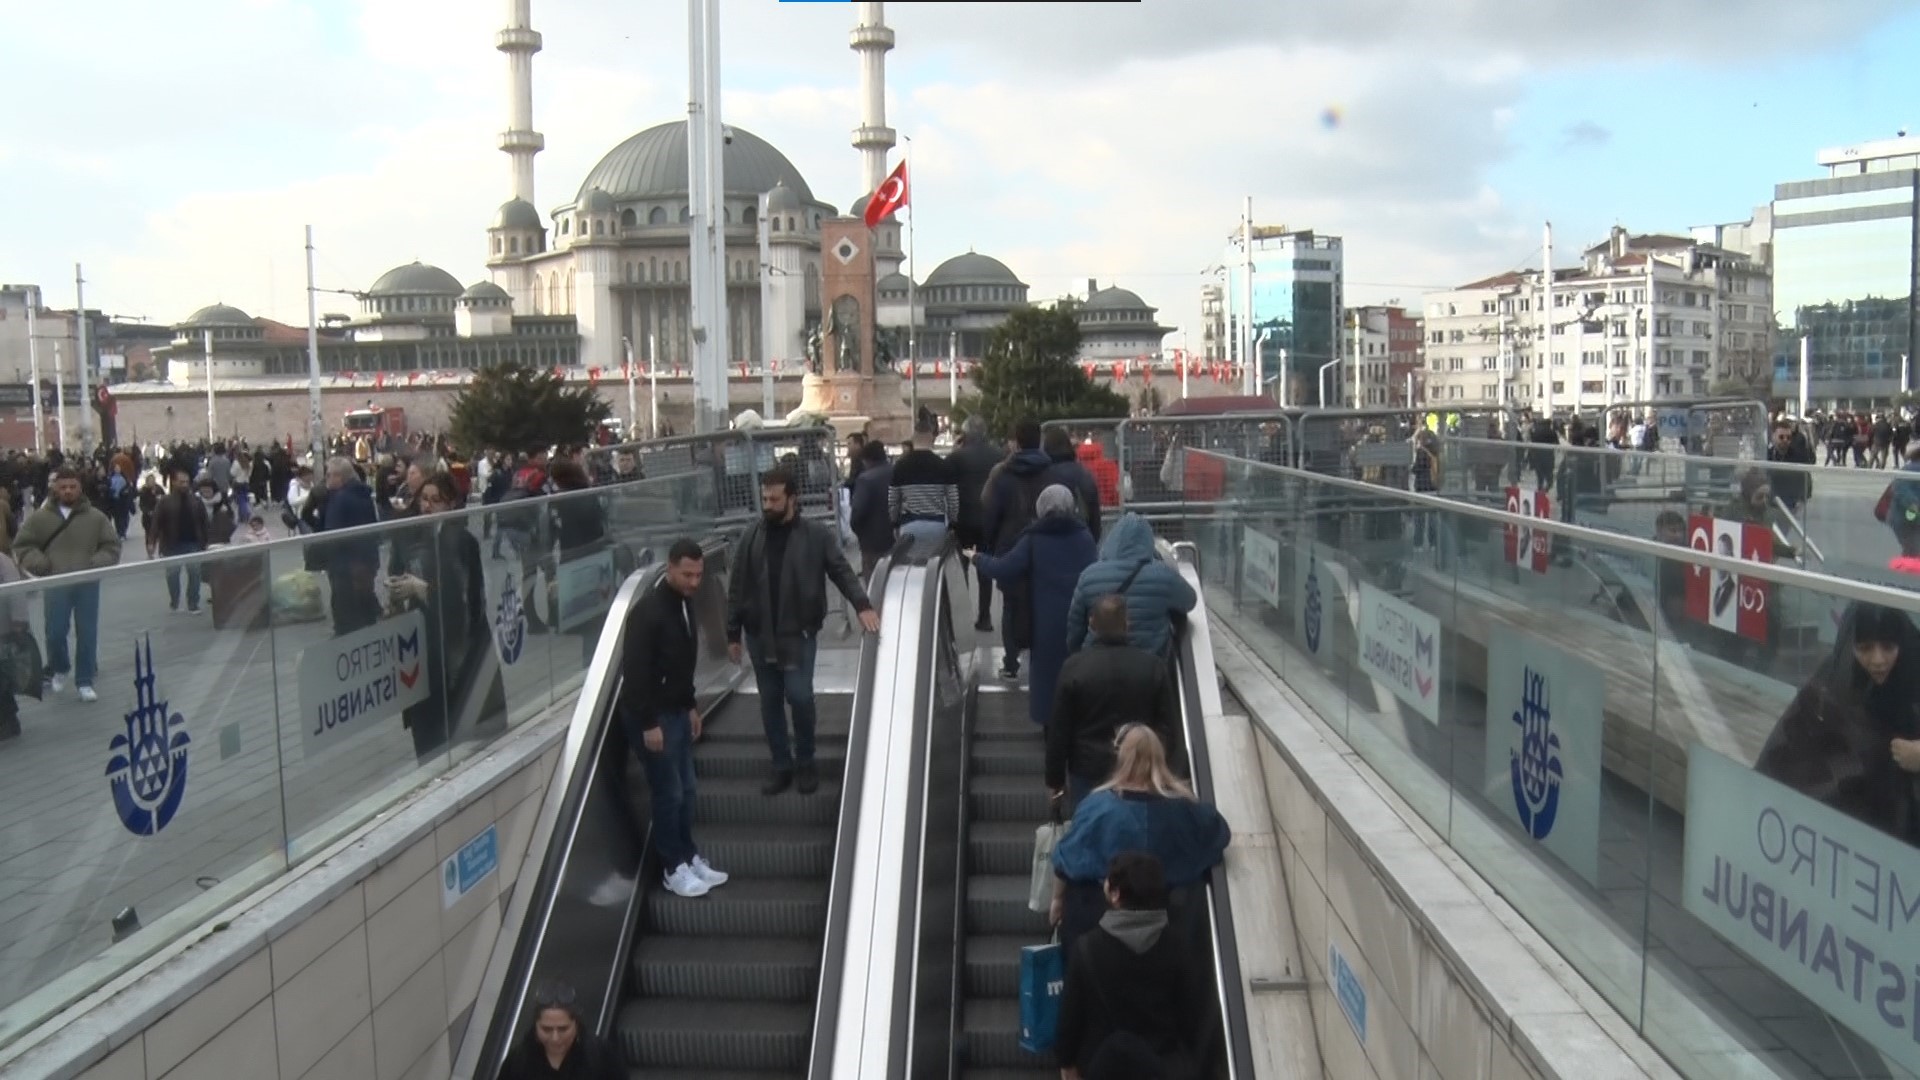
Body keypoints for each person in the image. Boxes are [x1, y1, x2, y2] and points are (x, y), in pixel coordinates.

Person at [727, 467, 879, 796]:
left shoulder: (815, 535)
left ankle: (806, 761)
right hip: (759, 632)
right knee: (769, 700)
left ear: (792, 499)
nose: (768, 504)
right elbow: (737, 585)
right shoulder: (752, 535)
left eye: (775, 499)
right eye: (765, 498)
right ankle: (781, 764)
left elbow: (841, 570)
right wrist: (732, 633)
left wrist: (862, 603)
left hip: (798, 632)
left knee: (799, 696)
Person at [1049, 725, 1229, 956]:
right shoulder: (1186, 810)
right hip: (1169, 928)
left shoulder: (1097, 808)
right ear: (1160, 757)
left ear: (1121, 757)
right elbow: (1217, 833)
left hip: (1101, 926)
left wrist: (1056, 900)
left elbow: (1065, 861)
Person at [1755, 602, 1920, 843]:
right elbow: (1789, 741)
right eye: (1864, 648)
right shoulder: (1834, 677)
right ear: (1849, 647)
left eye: (1888, 647)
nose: (1877, 660)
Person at [623, 540, 729, 898]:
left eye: (699, 575)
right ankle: (673, 867)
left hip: (676, 711)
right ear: (669, 568)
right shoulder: (647, 612)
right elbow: (635, 672)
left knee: (686, 788)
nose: (694, 582)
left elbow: (682, 662)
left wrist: (690, 705)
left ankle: (688, 855)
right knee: (668, 793)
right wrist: (649, 722)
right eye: (687, 574)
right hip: (654, 718)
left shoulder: (683, 605)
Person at [1056, 852, 1207, 1080]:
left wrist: (1067, 1063)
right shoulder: (1177, 947)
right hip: (1162, 1068)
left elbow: (1070, 1018)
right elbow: (1191, 1016)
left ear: (1116, 894)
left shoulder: (1087, 947)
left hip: (1102, 1067)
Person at [391, 473, 504, 762]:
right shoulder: (409, 535)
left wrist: (425, 590)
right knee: (427, 733)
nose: (427, 506)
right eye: (424, 499)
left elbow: (469, 601)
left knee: (457, 731)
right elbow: (395, 572)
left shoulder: (461, 541)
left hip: (456, 651)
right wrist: (395, 593)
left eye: (435, 500)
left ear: (450, 504)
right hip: (421, 645)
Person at [970, 485, 1098, 727]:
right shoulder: (1084, 537)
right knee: (1077, 677)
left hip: (1044, 625)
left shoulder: (1034, 539)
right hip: (1080, 622)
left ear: (1042, 507)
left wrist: (978, 559)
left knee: (1048, 687)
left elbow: (1004, 568)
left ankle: (1053, 744)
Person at [1050, 595, 1181, 810]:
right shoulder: (1152, 667)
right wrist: (1166, 770)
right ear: (1127, 624)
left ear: (1092, 623)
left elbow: (1059, 730)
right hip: (1138, 770)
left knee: (1088, 830)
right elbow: (1168, 726)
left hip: (1086, 770)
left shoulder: (1074, 667)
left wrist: (1054, 780)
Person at [13, 466, 122, 702]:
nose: (68, 491)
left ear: (80, 487)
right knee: (54, 632)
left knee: (87, 632)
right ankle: (60, 667)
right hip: (56, 582)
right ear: (55, 488)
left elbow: (111, 546)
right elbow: (22, 546)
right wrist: (40, 564)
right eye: (63, 487)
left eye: (73, 487)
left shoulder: (95, 517)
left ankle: (84, 680)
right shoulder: (40, 518)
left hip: (86, 582)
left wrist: (97, 562)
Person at [982, 419, 1057, 680]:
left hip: (1009, 543)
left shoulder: (1001, 473)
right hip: (1046, 543)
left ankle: (1011, 662)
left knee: (1011, 606)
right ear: (1039, 440)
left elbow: (989, 511)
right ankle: (1040, 660)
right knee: (1042, 603)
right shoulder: (1052, 471)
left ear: (1016, 441)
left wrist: (989, 546)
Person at [1066, 513, 1196, 659]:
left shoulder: (1088, 576)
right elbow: (1190, 600)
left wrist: (1079, 655)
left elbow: (1075, 627)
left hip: (1097, 663)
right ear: (1148, 542)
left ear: (1112, 540)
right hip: (1149, 665)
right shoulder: (1163, 575)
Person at [497, 981, 625, 1080]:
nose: (555, 1038)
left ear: (576, 1023)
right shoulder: (517, 1062)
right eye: (546, 1029)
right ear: (536, 1025)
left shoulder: (601, 1056)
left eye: (563, 1029)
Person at [946, 415, 1003, 632]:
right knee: (984, 569)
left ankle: (962, 618)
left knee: (961, 569)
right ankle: (985, 616)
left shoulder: (957, 457)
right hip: (988, 521)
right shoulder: (997, 455)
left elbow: (948, 484)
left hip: (963, 522)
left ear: (965, 433)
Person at [318, 456, 381, 636]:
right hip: (365, 562)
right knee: (364, 609)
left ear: (340, 477)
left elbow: (332, 532)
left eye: (329, 475)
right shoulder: (363, 495)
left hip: (344, 566)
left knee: (345, 615)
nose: (326, 479)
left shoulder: (340, 499)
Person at [888, 416, 960, 545]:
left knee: (911, 564)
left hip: (909, 525)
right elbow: (953, 501)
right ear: (932, 438)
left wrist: (894, 524)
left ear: (913, 438)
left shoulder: (900, 466)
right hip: (936, 526)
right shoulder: (943, 466)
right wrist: (953, 524)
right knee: (933, 564)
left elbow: (893, 501)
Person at [150, 469, 210, 614]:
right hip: (171, 545)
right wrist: (152, 542)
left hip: (193, 543)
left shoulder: (196, 501)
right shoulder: (165, 501)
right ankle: (175, 601)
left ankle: (193, 603)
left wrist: (206, 541)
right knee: (172, 575)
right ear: (174, 482)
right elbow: (156, 522)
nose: (185, 485)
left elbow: (204, 522)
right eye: (181, 482)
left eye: (187, 482)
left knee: (195, 574)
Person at [848, 439, 894, 576]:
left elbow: (857, 513)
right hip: (897, 539)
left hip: (873, 542)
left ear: (866, 460)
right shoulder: (897, 472)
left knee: (874, 584)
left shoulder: (865, 480)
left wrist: (860, 533)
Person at [0, 550, 27, 742]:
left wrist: (18, 621)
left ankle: (8, 720)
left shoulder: (3, 561)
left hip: (3, 630)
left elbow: (15, 590)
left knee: (3, 678)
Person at [1767, 421, 1815, 513]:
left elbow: (1806, 479)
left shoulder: (1798, 456)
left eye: (1788, 438)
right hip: (1770, 503)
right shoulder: (1766, 455)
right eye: (1781, 437)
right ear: (1773, 437)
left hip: (1790, 505)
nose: (1785, 440)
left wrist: (1801, 501)